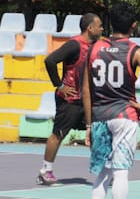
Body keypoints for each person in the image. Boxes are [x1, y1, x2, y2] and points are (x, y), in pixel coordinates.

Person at [81, 2, 140, 199]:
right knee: (121, 171)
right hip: (124, 116)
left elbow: (86, 88)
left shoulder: (94, 48)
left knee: (103, 171)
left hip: (100, 116)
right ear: (134, 25)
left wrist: (88, 123)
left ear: (110, 23)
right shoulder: (135, 51)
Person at [37, 13, 103, 185]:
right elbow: (50, 61)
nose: (102, 29)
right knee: (58, 133)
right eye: (100, 25)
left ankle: (101, 169)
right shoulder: (74, 45)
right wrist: (59, 85)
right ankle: (45, 170)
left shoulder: (96, 45)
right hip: (70, 100)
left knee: (96, 132)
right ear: (90, 28)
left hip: (87, 100)